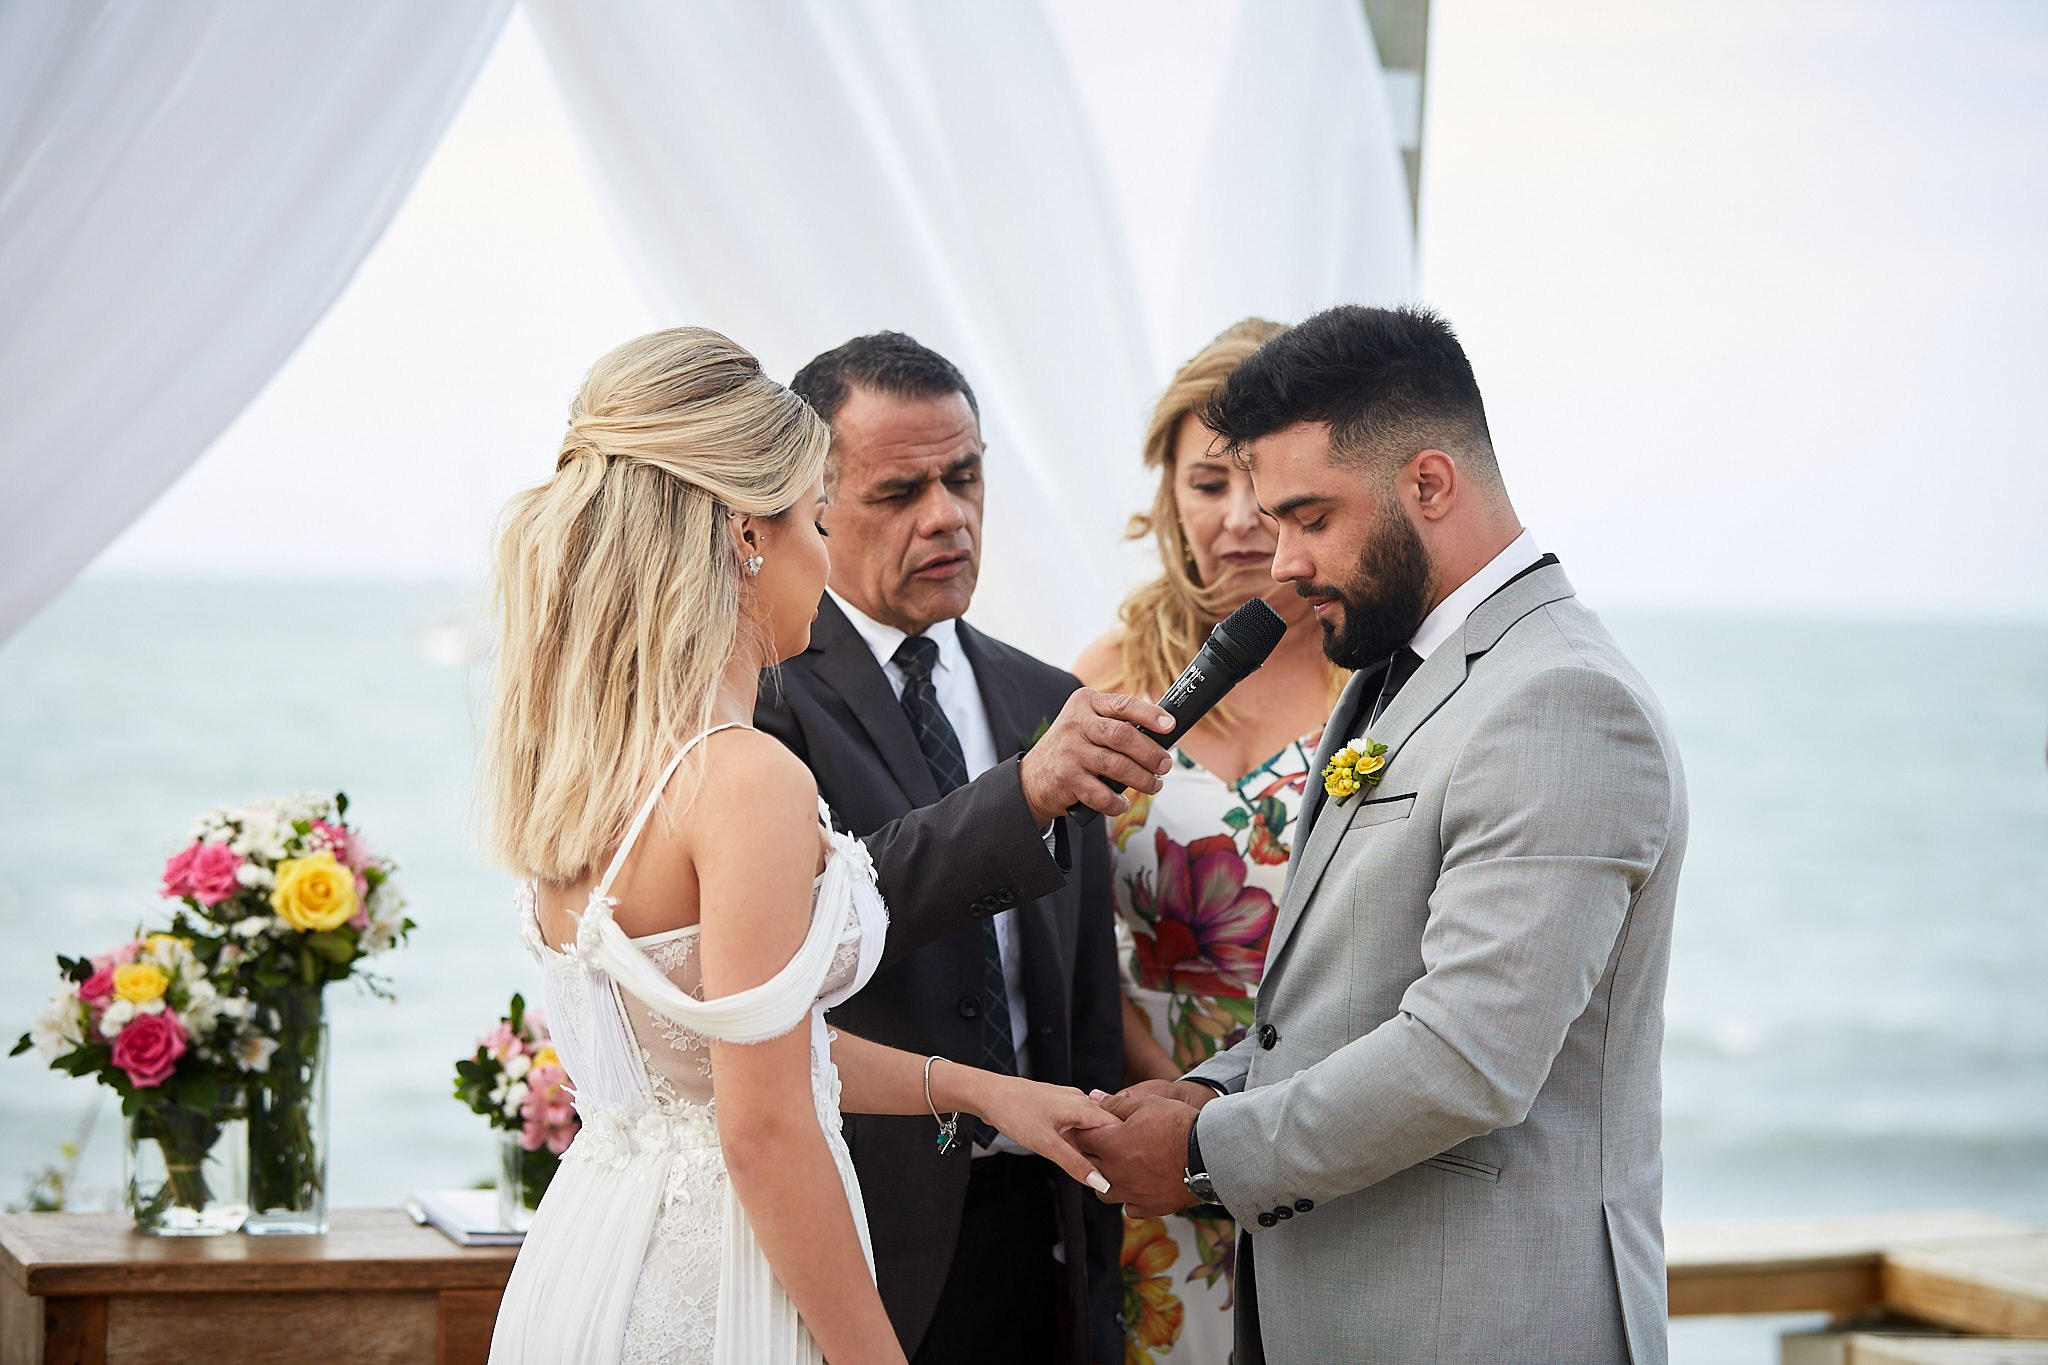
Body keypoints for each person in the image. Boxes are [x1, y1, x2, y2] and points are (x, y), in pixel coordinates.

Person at [481, 327, 1120, 1365]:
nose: (820, 558)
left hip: (593, 1263)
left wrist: (975, 1090)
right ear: (749, 537)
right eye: (814, 521)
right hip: (726, 1278)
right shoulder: (746, 777)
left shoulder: (590, 762)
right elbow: (763, 1129)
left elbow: (724, 1055)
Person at [1077, 305, 1689, 1365]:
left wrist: (1199, 1152)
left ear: (1428, 484)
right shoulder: (1389, 676)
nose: (1284, 561)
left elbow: (1466, 1059)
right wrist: (1205, 1087)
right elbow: (1345, 995)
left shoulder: (1561, 700)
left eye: (1310, 517)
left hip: (1476, 1323)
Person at [757, 332, 1133, 1365]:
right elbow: (820, 918)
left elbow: (1077, 997)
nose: (947, 516)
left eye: (963, 478)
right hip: (863, 1233)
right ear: (813, 500)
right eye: (900, 491)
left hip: (1040, 1224)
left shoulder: (1043, 698)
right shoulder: (765, 699)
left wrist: (1097, 1234)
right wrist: (1023, 795)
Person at [1070, 318, 1346, 1363]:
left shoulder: (1371, 675)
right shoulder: (1103, 673)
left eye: (1259, 483)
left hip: (1323, 1139)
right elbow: (1058, 923)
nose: (1237, 520)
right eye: (1204, 484)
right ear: (1164, 497)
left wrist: (1261, 1129)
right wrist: (1170, 1110)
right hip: (1142, 1138)